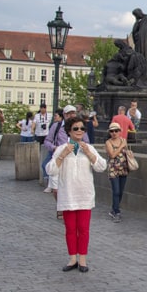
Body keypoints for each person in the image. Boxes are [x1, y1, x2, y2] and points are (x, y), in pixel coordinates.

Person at [46, 115, 107, 273]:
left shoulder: (89, 148)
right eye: (76, 129)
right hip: (68, 194)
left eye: (82, 128)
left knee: (84, 228)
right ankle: (72, 258)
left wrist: (89, 153)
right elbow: (51, 170)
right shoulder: (62, 149)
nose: (79, 131)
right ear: (69, 131)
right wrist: (63, 155)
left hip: (84, 194)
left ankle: (83, 259)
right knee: (70, 229)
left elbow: (101, 166)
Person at [45, 106, 90, 197]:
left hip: (75, 159)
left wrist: (82, 146)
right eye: (68, 114)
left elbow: (87, 142)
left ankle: (67, 207)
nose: (71, 116)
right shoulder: (56, 126)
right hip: (60, 159)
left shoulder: (80, 127)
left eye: (73, 113)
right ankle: (60, 208)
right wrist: (54, 148)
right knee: (56, 190)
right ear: (64, 115)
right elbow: (47, 141)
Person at [105, 122, 130, 223]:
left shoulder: (124, 140)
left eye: (116, 131)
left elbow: (126, 152)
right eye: (112, 131)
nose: (114, 133)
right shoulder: (108, 142)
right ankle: (117, 212)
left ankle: (114, 209)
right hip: (113, 169)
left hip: (123, 169)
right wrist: (121, 146)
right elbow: (112, 155)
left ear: (120, 131)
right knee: (116, 191)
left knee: (121, 191)